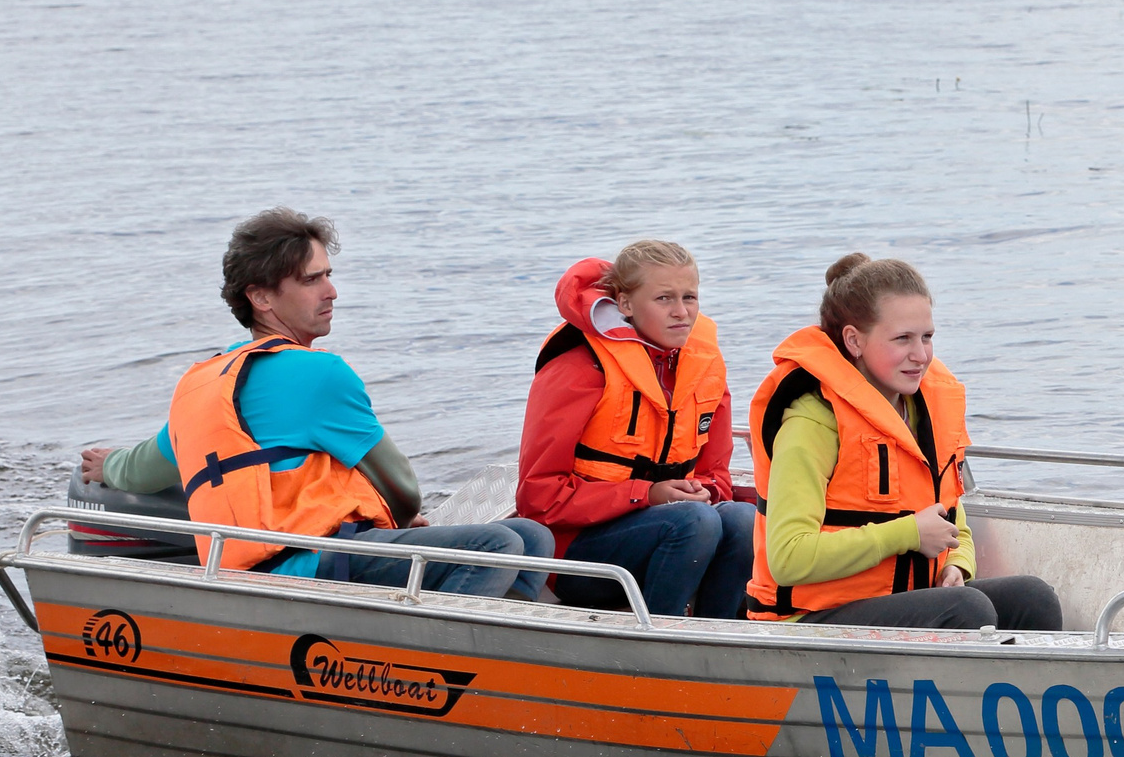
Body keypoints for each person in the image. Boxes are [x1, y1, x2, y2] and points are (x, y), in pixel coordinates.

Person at [81, 208, 553, 598]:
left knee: (531, 536)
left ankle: (514, 669)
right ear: (261, 297)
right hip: (308, 565)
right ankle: (433, 676)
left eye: (328, 274)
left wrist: (108, 465)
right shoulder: (318, 373)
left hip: (269, 565)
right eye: (312, 280)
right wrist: (409, 520)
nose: (331, 291)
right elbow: (402, 486)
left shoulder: (203, 384)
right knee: (496, 543)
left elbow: (144, 468)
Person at [745, 254, 1061, 632]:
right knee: (967, 610)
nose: (921, 355)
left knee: (1032, 597)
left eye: (927, 337)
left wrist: (957, 564)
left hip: (905, 600)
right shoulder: (812, 422)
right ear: (853, 340)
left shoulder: (923, 411)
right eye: (902, 339)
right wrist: (907, 534)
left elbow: (951, 521)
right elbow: (788, 557)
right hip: (811, 619)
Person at [515, 240, 755, 618]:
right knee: (695, 521)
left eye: (689, 297)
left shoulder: (703, 368)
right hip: (579, 554)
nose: (682, 313)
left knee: (742, 520)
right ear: (625, 305)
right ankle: (658, 645)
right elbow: (539, 497)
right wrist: (647, 494)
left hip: (680, 531)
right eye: (663, 299)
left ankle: (716, 641)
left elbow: (715, 474)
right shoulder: (579, 368)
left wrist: (702, 489)